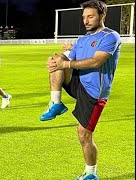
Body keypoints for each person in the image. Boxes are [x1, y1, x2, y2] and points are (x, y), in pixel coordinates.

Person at [39, 1, 121, 179]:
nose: (86, 20)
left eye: (90, 16)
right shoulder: (83, 39)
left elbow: (96, 61)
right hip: (79, 82)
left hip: (94, 91)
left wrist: (65, 62)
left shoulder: (110, 36)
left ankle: (91, 174)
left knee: (84, 134)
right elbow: (68, 59)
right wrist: (61, 57)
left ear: (102, 16)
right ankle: (56, 103)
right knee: (55, 59)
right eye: (84, 17)